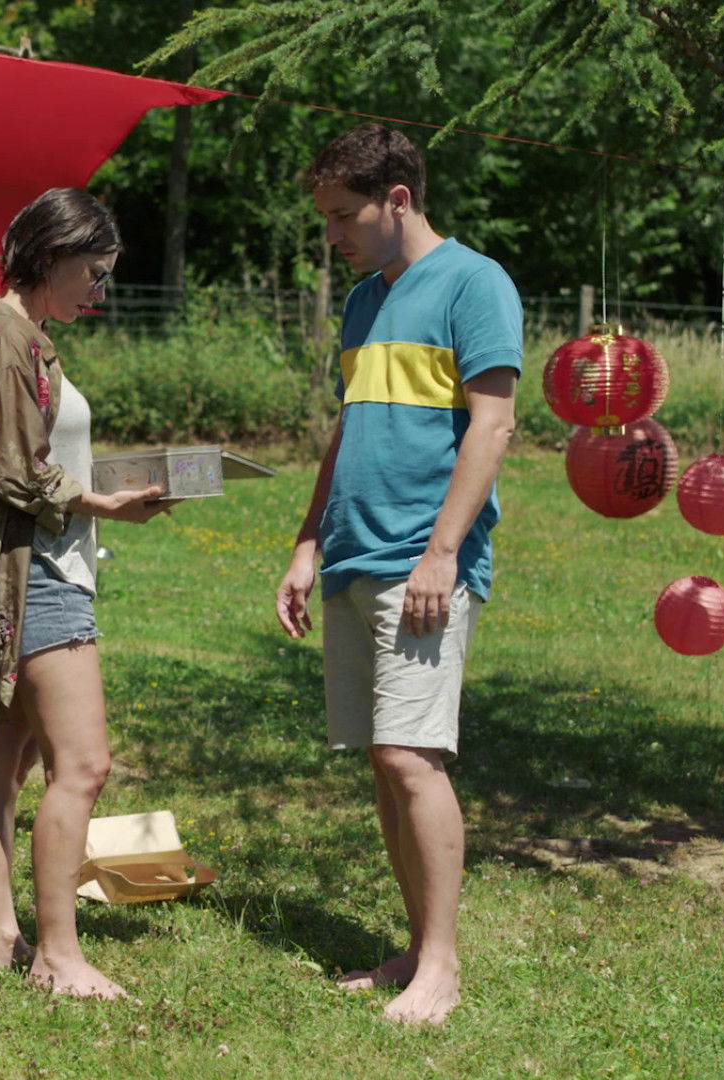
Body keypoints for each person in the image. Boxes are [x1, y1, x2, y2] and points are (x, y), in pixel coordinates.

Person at [0, 187, 170, 1001]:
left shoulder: (20, 337)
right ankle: (58, 955)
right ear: (52, 256)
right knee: (83, 765)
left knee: (3, 770)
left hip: (27, 570)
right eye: (94, 271)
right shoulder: (6, 339)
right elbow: (19, 472)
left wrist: (104, 488)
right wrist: (103, 502)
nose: (99, 290)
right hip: (36, 577)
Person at [274, 124, 521, 1025]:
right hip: (354, 554)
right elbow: (349, 429)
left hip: (424, 560)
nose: (332, 235)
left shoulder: (475, 283)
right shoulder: (365, 300)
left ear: (400, 200)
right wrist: (309, 541)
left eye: (345, 217)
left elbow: (492, 427)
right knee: (383, 764)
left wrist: (443, 552)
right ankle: (417, 949)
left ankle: (443, 969)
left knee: (410, 756)